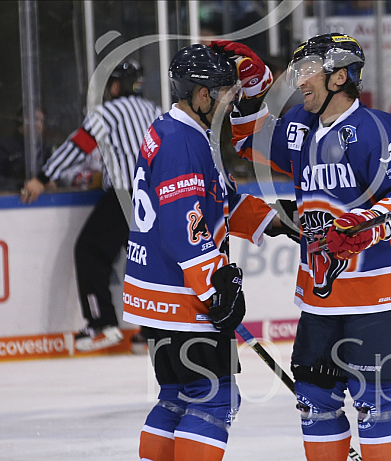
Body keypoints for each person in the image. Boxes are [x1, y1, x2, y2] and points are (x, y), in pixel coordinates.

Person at [217, 33, 391, 461]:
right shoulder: (299, 126)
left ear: (341, 77)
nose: (301, 81)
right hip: (320, 296)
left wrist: (366, 227)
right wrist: (253, 87)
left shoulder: (378, 128)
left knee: (377, 404)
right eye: (298, 73)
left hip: (376, 294)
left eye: (309, 71)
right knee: (314, 399)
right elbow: (248, 141)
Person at [122, 43, 277, 461]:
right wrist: (215, 293)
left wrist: (278, 222)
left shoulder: (175, 131)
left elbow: (220, 200)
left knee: (176, 397)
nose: (231, 101)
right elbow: (182, 231)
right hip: (181, 299)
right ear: (203, 94)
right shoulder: (183, 145)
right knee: (214, 400)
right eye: (227, 93)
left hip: (156, 299)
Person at [21, 59, 161, 353]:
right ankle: (152, 332)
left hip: (124, 195)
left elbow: (78, 146)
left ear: (114, 86)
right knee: (148, 264)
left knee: (89, 251)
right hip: (157, 197)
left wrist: (42, 177)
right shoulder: (154, 111)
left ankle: (101, 323)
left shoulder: (107, 113)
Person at [0, 107, 51, 192]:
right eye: (35, 119)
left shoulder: (45, 148)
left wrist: (52, 183)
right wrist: (22, 185)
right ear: (22, 120)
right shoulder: (3, 147)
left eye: (42, 121)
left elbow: (56, 173)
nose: (39, 125)